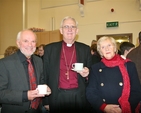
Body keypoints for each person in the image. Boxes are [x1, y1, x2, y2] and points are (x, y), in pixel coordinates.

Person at [42, 16, 92, 113]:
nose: (70, 29)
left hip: (79, 96)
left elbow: (90, 73)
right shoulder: (50, 49)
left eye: (73, 27)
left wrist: (87, 74)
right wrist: (46, 101)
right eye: (66, 27)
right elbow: (44, 74)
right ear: (61, 30)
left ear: (77, 30)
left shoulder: (85, 49)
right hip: (57, 95)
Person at [0, 29, 51, 113]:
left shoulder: (38, 61)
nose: (30, 45)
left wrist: (45, 87)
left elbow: (41, 81)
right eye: (26, 41)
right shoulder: (4, 64)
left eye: (33, 41)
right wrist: (24, 95)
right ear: (18, 43)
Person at [86, 36, 141, 113]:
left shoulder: (129, 65)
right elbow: (91, 92)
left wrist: (123, 108)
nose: (107, 49)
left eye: (109, 45)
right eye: (103, 47)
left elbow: (136, 91)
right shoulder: (95, 68)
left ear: (115, 48)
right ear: (100, 52)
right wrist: (103, 107)